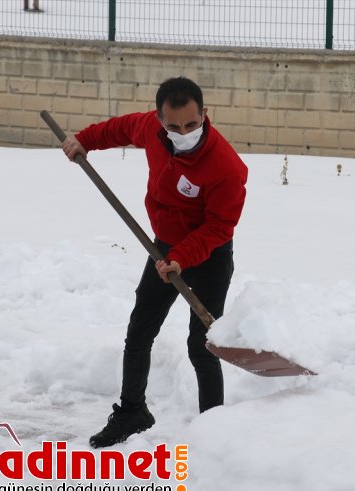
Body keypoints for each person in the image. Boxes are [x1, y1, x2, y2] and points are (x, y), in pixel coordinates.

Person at [61, 77, 248, 448]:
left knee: (202, 346)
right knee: (140, 330)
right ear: (160, 120)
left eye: (192, 124)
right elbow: (120, 129)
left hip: (209, 255)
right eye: (174, 126)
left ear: (205, 114)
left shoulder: (226, 167)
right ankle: (132, 411)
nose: (184, 133)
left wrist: (182, 258)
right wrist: (85, 139)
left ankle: (214, 430)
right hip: (164, 249)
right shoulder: (151, 129)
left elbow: (219, 226)